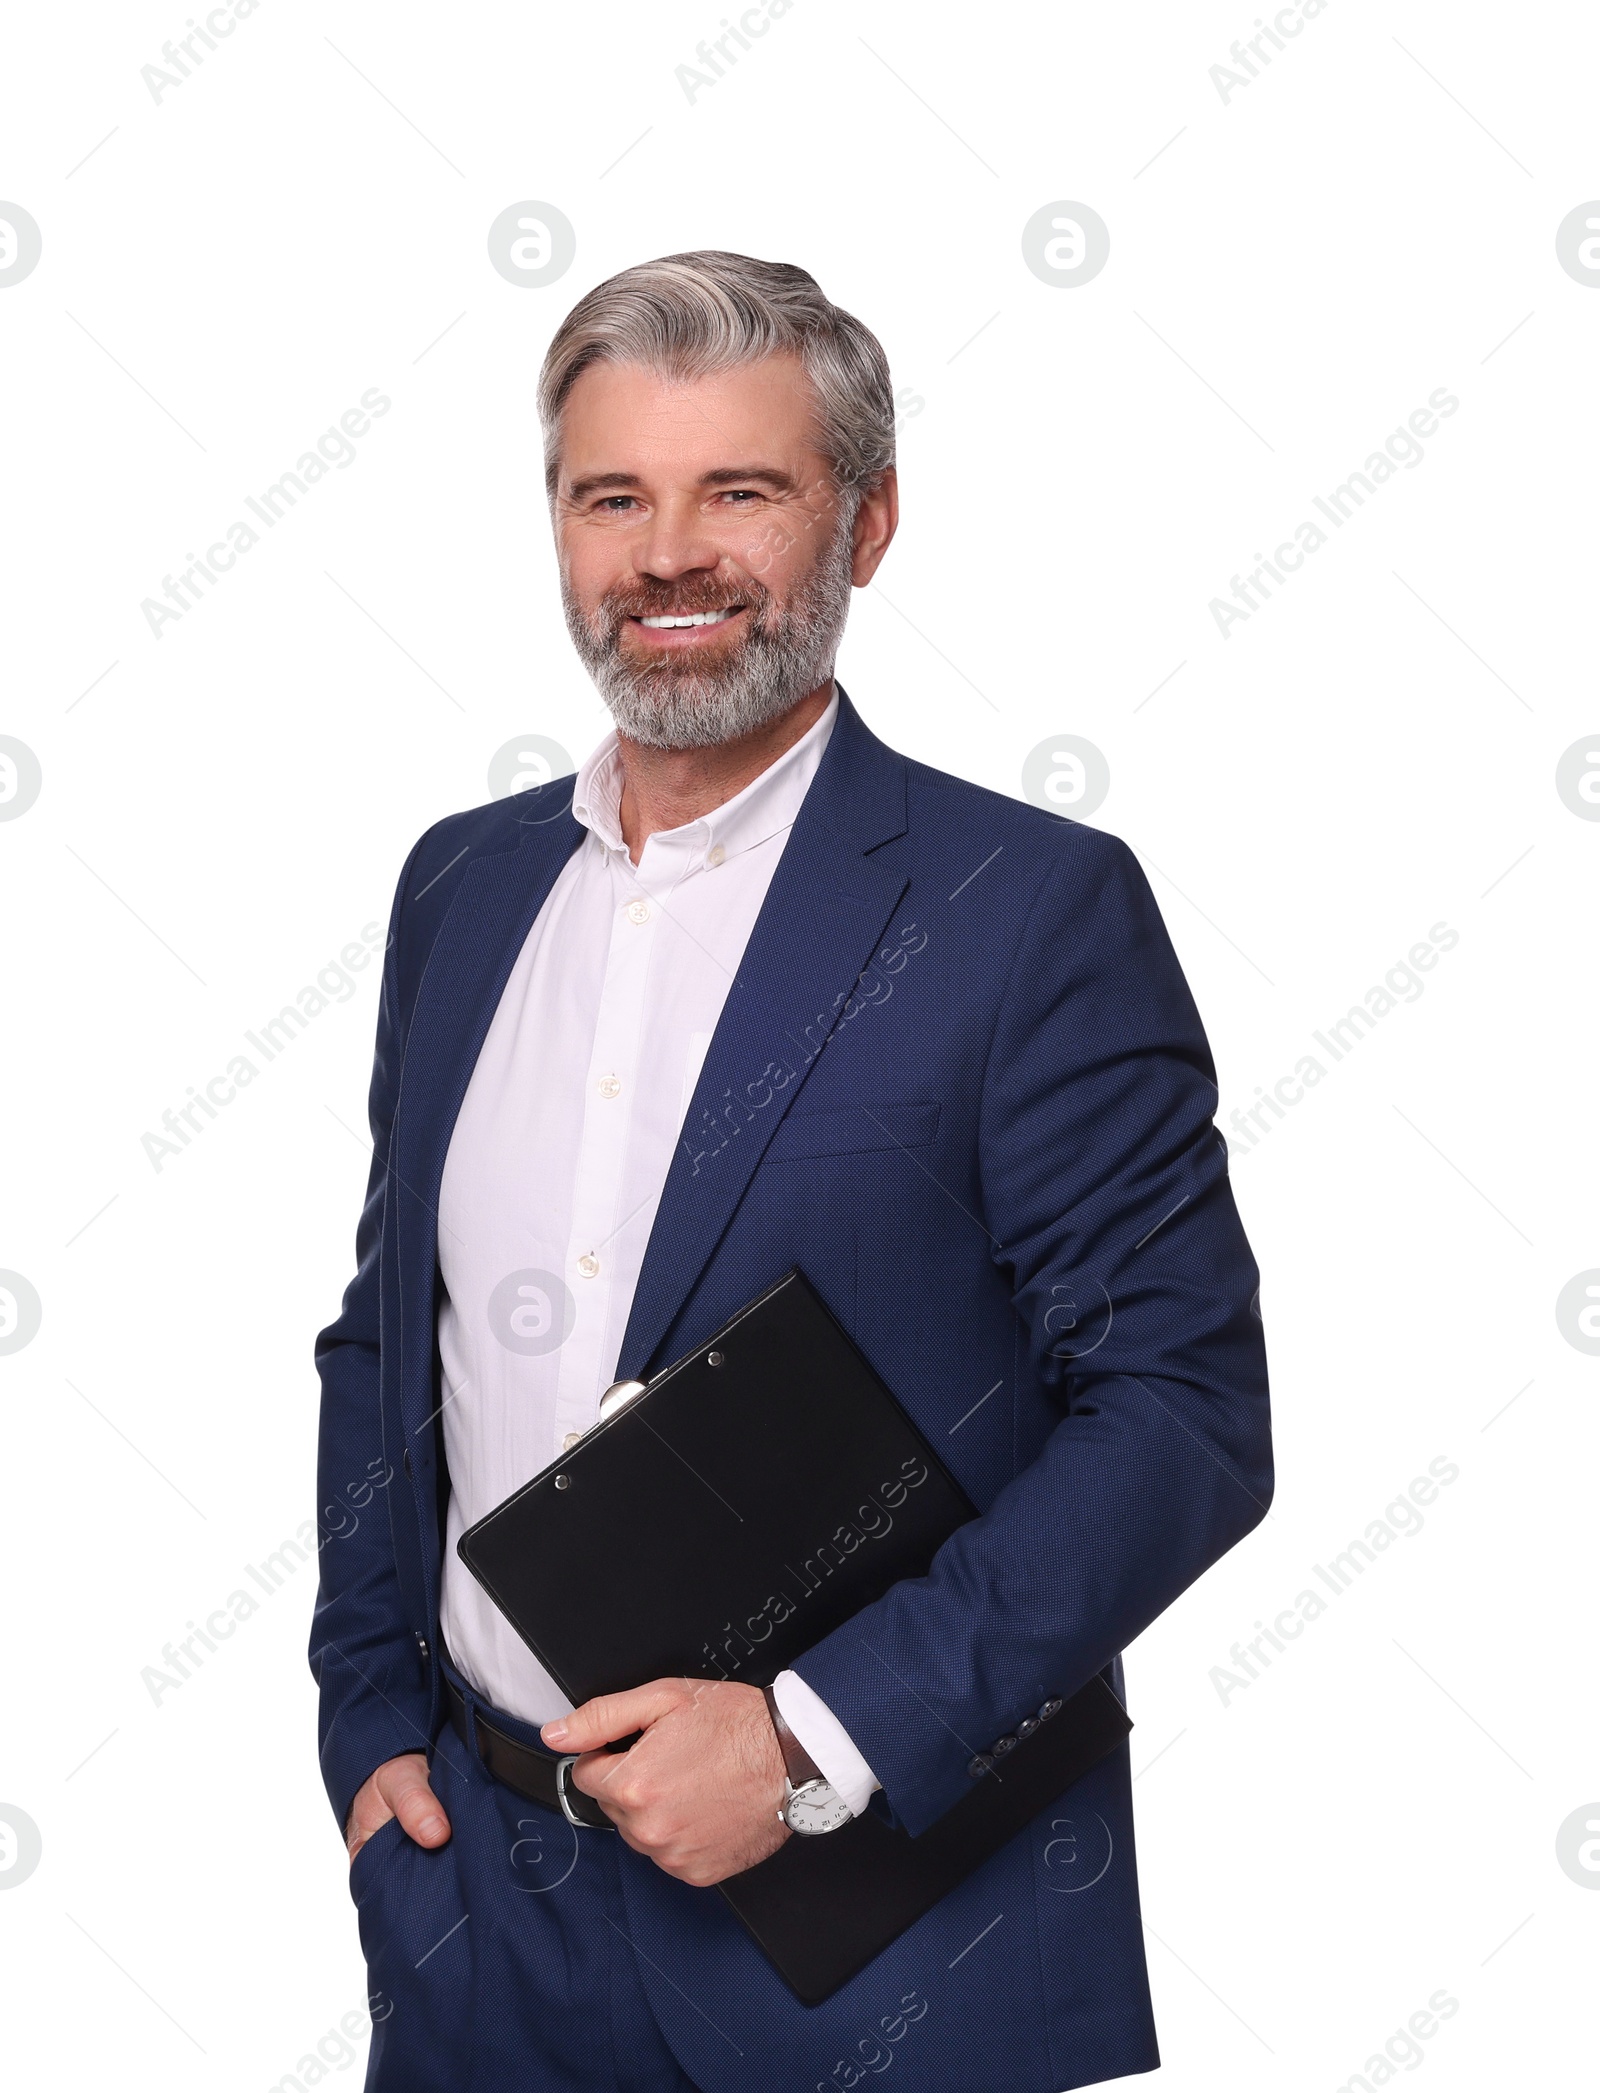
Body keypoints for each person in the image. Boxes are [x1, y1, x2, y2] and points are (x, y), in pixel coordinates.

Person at [310, 249, 1273, 2093]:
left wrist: (817, 1733)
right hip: (477, 1916)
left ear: (869, 519)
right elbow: (386, 1341)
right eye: (616, 496)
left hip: (881, 1950)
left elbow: (1182, 1417)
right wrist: (367, 1727)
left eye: (738, 491)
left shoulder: (1026, 913)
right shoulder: (462, 887)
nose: (669, 554)